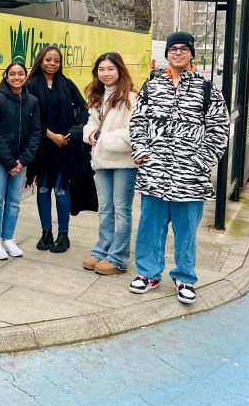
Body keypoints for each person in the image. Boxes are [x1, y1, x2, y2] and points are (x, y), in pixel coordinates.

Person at [128, 31, 229, 304]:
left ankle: (185, 277)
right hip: (154, 172)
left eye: (184, 49)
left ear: (192, 54)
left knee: (186, 231)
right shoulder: (152, 86)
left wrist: (203, 161)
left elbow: (219, 129)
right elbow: (137, 122)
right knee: (150, 227)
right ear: (167, 54)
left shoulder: (207, 89)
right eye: (174, 49)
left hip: (190, 177)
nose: (178, 53)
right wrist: (141, 152)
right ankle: (148, 273)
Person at [25, 46, 89, 253]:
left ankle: (63, 234)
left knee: (61, 189)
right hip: (42, 146)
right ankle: (46, 233)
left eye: (56, 61)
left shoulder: (67, 84)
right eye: (48, 60)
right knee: (43, 188)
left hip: (65, 146)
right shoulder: (31, 85)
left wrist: (73, 132)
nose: (52, 64)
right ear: (40, 61)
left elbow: (84, 109)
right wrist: (51, 135)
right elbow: (29, 117)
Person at [82, 53, 138, 275]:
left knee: (121, 210)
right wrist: (91, 134)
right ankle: (101, 251)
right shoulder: (97, 96)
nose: (105, 74)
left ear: (120, 70)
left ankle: (118, 258)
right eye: (101, 69)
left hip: (124, 162)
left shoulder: (131, 98)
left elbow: (134, 132)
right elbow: (91, 123)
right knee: (105, 209)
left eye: (110, 69)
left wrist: (103, 139)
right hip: (102, 160)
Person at [0, 61, 41, 260]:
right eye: (12, 74)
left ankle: (8, 238)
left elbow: (36, 133)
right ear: (6, 77)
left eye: (20, 74)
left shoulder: (32, 101)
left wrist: (22, 160)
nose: (16, 77)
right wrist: (9, 162)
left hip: (20, 161)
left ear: (26, 77)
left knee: (14, 201)